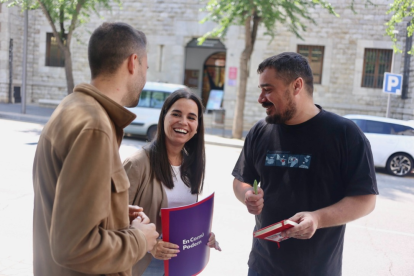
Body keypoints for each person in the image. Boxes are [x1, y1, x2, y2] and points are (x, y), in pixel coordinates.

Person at [232, 52, 379, 276]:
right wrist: (246, 196)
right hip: (262, 266)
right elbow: (241, 180)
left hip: (317, 269)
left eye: (268, 89)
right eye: (261, 89)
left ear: (297, 85)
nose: (261, 98)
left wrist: (317, 218)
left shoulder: (345, 134)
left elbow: (365, 200)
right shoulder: (260, 131)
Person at [32, 22, 159, 276]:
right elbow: (74, 246)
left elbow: (64, 207)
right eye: (146, 67)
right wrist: (139, 239)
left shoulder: (73, 107)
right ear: (133, 63)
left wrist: (114, 211)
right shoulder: (95, 127)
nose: (145, 76)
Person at [123, 89, 221, 276]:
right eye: (176, 114)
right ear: (164, 117)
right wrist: (150, 245)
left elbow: (185, 217)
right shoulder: (137, 163)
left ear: (198, 125)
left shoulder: (191, 165)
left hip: (182, 264)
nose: (183, 122)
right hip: (145, 264)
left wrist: (203, 236)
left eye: (191, 117)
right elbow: (112, 219)